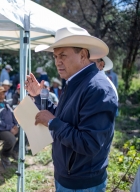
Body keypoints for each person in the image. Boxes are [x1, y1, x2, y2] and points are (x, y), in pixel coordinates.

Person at [26, 27, 118, 191]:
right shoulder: (75, 82)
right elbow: (63, 117)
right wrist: (39, 96)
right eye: (55, 56)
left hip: (82, 183)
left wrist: (53, 123)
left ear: (83, 55)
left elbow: (89, 143)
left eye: (63, 55)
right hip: (68, 176)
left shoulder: (97, 89)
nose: (57, 62)